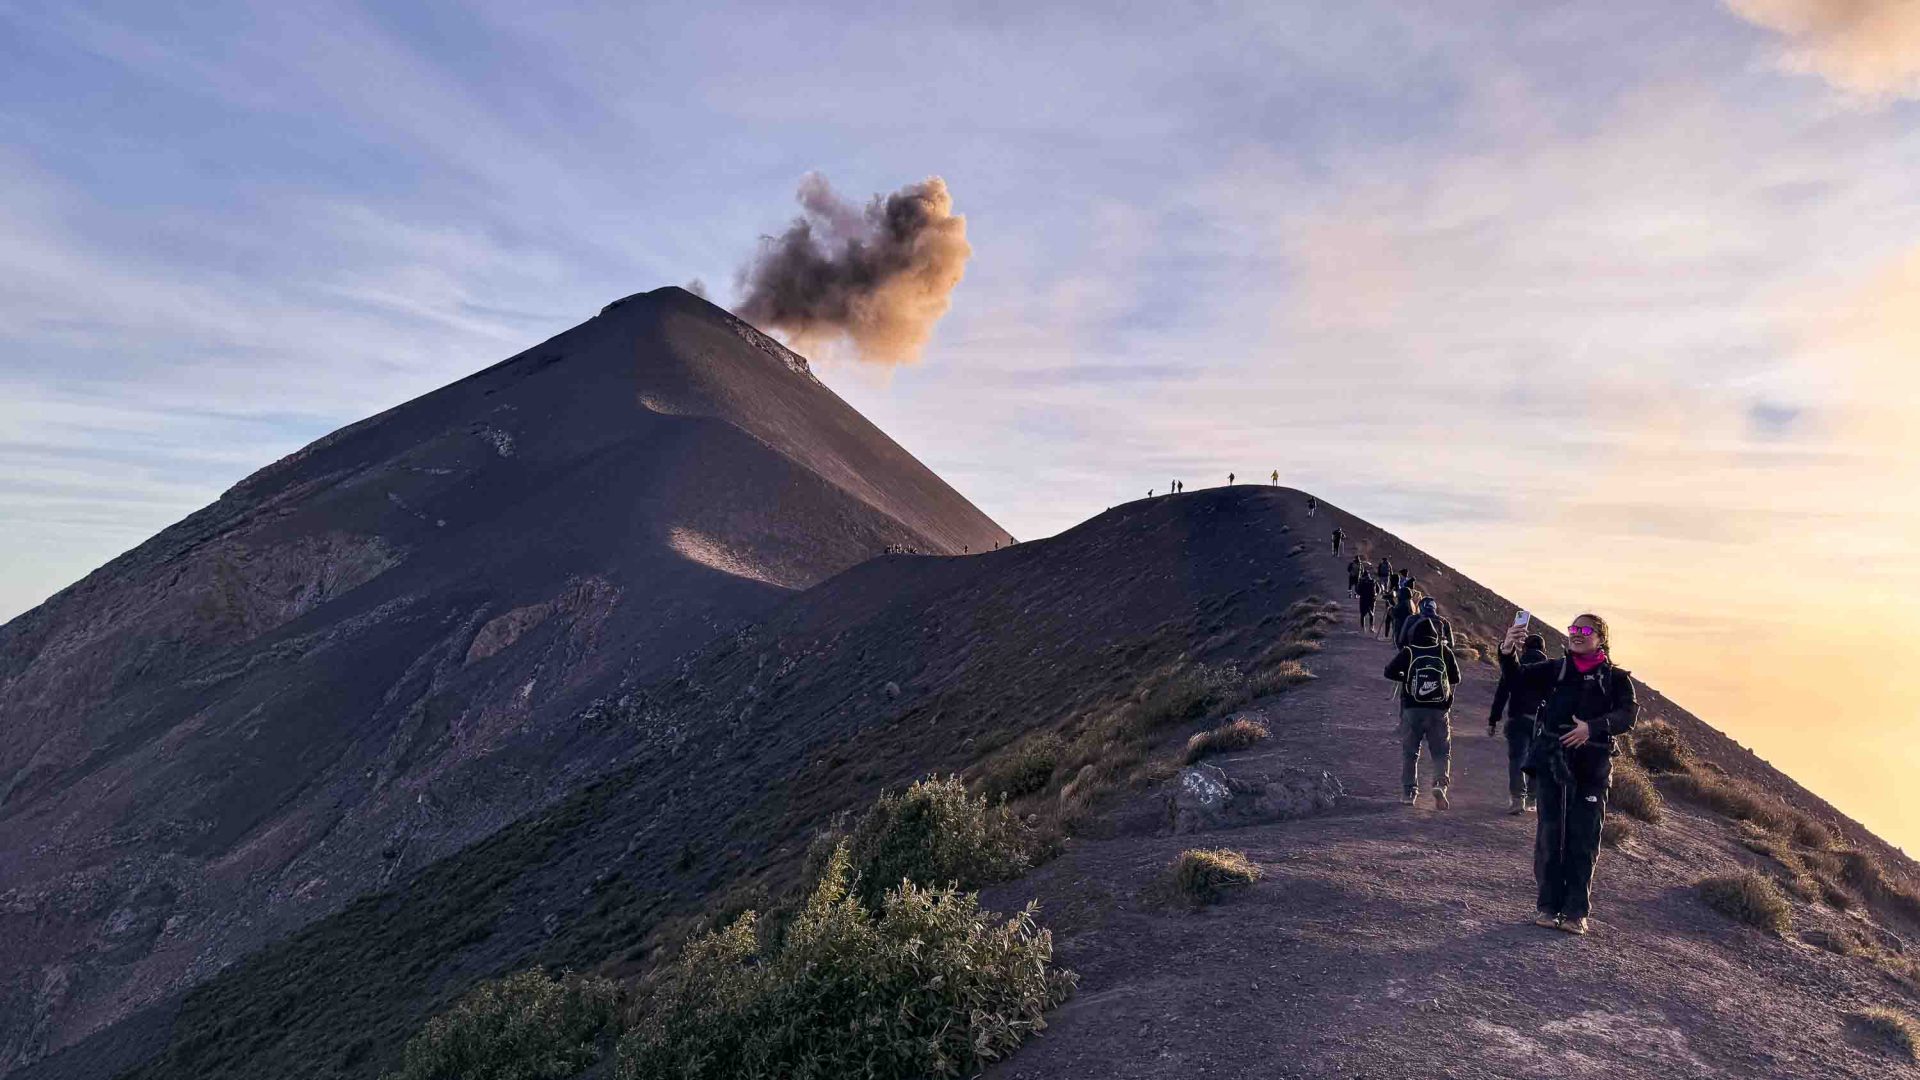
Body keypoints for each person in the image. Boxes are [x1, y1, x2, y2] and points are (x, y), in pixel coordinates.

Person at [1499, 614, 1639, 935]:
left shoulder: (1616, 679)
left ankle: (1576, 913)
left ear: (1601, 637)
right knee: (1550, 835)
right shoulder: (1556, 670)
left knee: (1584, 837)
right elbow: (1517, 680)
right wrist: (1507, 651)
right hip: (1552, 760)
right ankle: (1548, 908)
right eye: (1573, 629)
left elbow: (1627, 715)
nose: (1576, 634)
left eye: (1584, 630)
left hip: (1593, 765)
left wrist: (1592, 728)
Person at [1384, 618, 1461, 808]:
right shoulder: (1444, 652)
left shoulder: (1409, 652)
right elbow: (1456, 678)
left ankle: (1409, 793)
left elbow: (1388, 672)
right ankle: (1440, 785)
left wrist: (1405, 676)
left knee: (1410, 752)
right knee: (1441, 752)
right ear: (1435, 635)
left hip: (1412, 709)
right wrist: (1448, 701)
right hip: (1438, 710)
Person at [1489, 631, 1549, 814]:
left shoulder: (1516, 666)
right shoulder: (1549, 668)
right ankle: (1532, 798)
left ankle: (1517, 799)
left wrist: (1493, 720)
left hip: (1517, 719)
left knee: (1517, 759)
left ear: (1524, 648)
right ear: (1543, 649)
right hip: (1540, 721)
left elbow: (1502, 693)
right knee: (1536, 759)